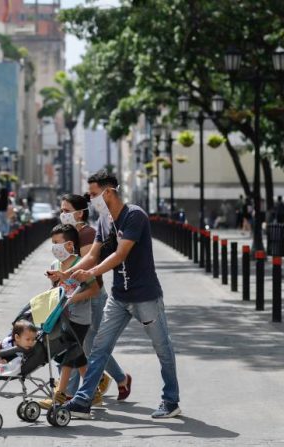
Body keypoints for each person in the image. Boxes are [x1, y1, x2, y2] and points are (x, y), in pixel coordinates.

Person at [50, 169, 180, 419]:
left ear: (108, 191)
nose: (91, 199)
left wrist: (91, 274)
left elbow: (121, 254)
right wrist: (69, 273)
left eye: (94, 194)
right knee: (99, 347)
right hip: (119, 297)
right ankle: (82, 401)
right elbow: (92, 254)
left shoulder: (134, 216)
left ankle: (171, 400)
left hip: (145, 296)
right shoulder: (104, 220)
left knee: (162, 348)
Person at [59, 194, 132, 407]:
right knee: (88, 344)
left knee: (86, 343)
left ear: (79, 213)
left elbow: (86, 269)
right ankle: (116, 379)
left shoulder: (88, 234)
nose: (62, 214)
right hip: (80, 296)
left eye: (66, 210)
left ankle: (71, 392)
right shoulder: (74, 233)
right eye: (61, 210)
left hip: (93, 295)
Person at [39, 224, 99, 410]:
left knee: (68, 354)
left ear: (69, 245)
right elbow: (56, 290)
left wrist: (73, 299)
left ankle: (59, 394)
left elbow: (94, 290)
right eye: (52, 243)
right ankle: (94, 392)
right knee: (76, 355)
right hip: (61, 318)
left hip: (79, 319)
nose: (54, 247)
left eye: (57, 243)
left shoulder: (80, 265)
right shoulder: (54, 265)